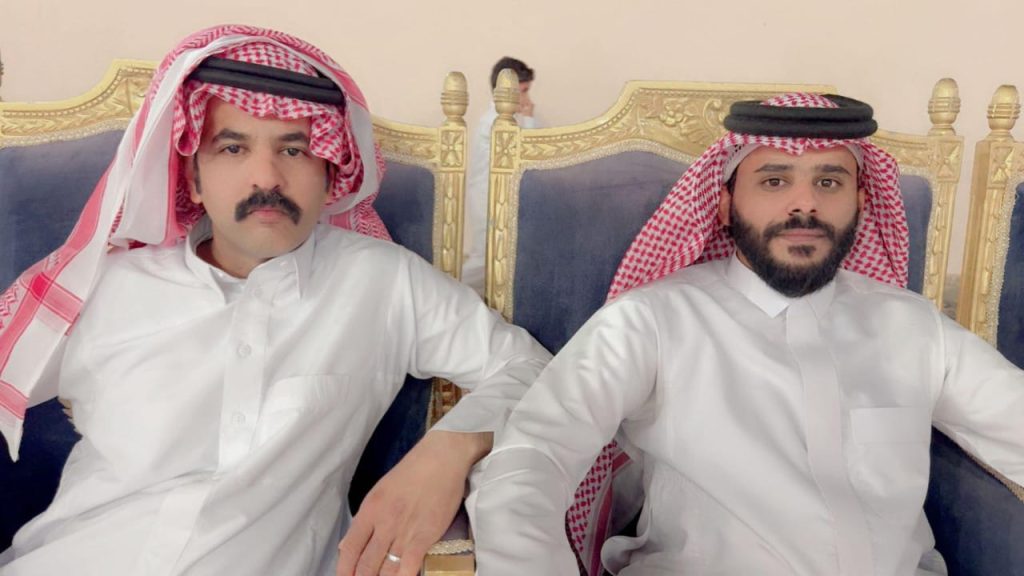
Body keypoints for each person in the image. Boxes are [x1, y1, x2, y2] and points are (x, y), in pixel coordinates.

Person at [0, 25, 549, 576]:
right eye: (232, 148)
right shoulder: (99, 286)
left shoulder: (381, 283)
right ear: (193, 178)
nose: (267, 177)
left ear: (331, 172)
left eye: (294, 149)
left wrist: (450, 448)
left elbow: (531, 370)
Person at [468, 93, 1024, 575]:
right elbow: (529, 460)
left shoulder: (913, 326)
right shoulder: (651, 320)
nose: (804, 203)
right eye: (774, 180)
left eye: (829, 181)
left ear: (861, 202)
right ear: (725, 205)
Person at [463, 56, 538, 294]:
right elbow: (526, 155)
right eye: (522, 92)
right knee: (484, 259)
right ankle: (446, 289)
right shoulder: (494, 122)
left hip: (499, 198)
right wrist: (529, 119)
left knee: (498, 259)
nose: (527, 99)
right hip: (487, 200)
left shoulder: (507, 120)